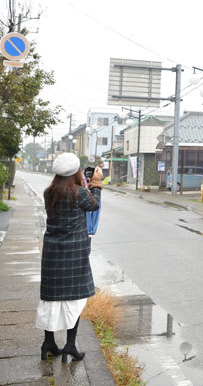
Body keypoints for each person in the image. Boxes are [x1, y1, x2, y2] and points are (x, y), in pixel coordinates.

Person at [35, 153, 103, 362]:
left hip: (52, 252)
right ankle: (70, 346)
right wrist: (97, 184)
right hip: (74, 253)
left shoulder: (49, 193)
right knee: (74, 299)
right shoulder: (79, 192)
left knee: (51, 299)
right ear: (76, 173)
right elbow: (94, 205)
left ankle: (48, 343)